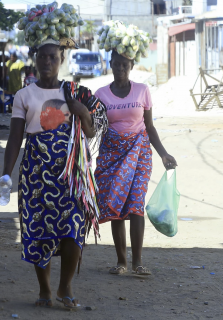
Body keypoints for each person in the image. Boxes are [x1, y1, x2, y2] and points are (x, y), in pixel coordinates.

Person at [0, 42, 101, 309]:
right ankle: (44, 289)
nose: (47, 62)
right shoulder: (24, 95)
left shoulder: (75, 92)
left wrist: (82, 111)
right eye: (42, 57)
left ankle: (65, 285)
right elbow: (15, 137)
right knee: (37, 228)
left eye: (53, 57)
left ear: (61, 59)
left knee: (74, 226)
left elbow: (90, 132)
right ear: (35, 60)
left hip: (71, 173)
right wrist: (5, 175)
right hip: (35, 173)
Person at [94, 50, 177, 276]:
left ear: (131, 66)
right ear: (110, 64)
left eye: (125, 65)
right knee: (116, 206)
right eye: (116, 64)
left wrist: (163, 154)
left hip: (139, 153)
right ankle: (121, 261)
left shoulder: (143, 91)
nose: (120, 68)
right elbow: (95, 128)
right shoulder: (100, 94)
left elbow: (149, 127)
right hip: (111, 156)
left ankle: (138, 262)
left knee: (135, 205)